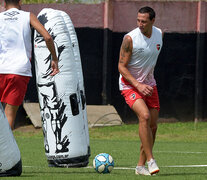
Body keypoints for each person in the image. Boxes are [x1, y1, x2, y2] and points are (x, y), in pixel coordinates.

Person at [0, 0, 59, 130]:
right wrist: (54, 58)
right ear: (20, 1)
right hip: (19, 71)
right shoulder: (28, 16)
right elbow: (48, 38)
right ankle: (4, 149)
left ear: (3, 3)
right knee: (9, 114)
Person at [118, 6, 163, 176]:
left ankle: (140, 166)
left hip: (150, 85)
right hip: (130, 84)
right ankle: (151, 160)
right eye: (138, 20)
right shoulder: (130, 39)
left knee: (152, 127)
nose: (140, 24)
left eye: (144, 21)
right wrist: (138, 84)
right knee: (144, 116)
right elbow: (121, 66)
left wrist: (146, 82)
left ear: (152, 21)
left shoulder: (159, 34)